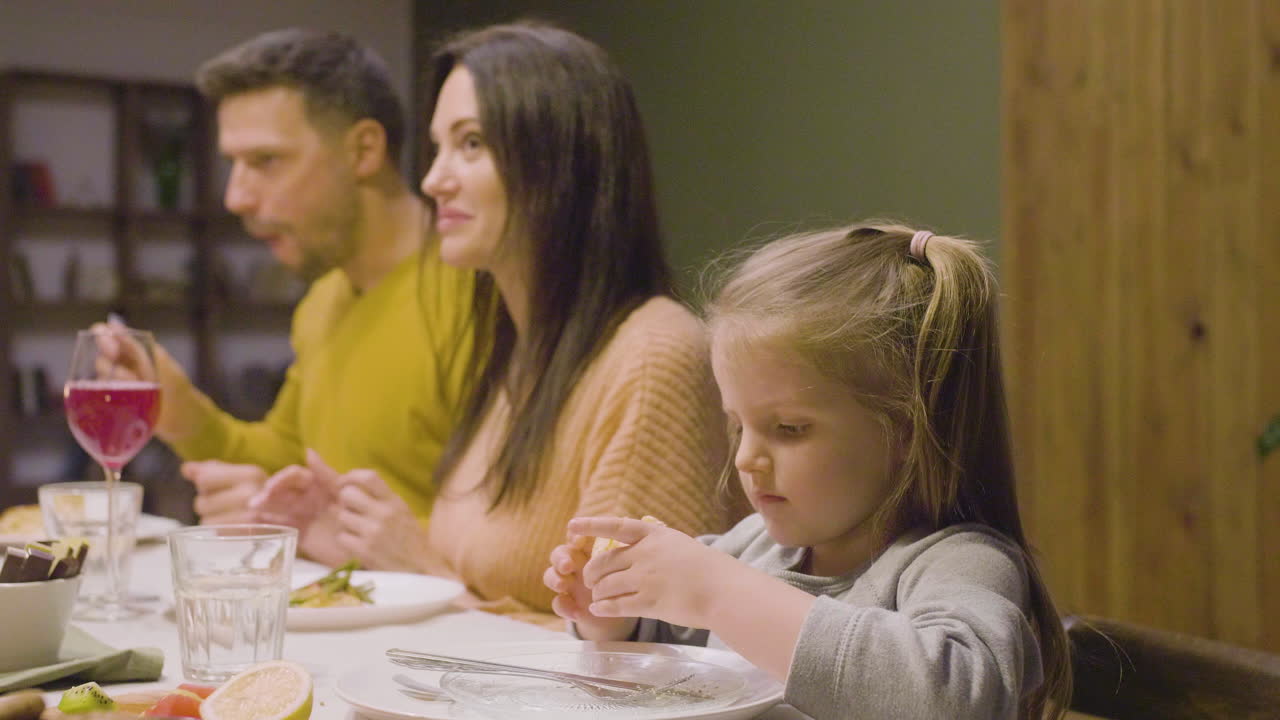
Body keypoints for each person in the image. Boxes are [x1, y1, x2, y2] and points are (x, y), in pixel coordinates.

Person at [251, 21, 737, 627]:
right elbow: (493, 571)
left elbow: (636, 655)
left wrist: (423, 571)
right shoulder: (521, 350)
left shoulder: (650, 357)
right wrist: (352, 540)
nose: (433, 180)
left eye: (472, 143)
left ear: (562, 162)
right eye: (437, 147)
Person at [546, 223, 1072, 718]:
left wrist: (721, 593)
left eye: (789, 429)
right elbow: (676, 647)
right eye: (738, 426)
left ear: (907, 431)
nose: (746, 458)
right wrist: (616, 617)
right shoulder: (750, 546)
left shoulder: (960, 564)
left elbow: (953, 699)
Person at [105, 28, 476, 566]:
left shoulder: (479, 295)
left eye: (266, 161)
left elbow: (514, 540)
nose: (236, 196)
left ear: (364, 149)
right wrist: (178, 410)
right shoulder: (324, 301)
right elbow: (281, 462)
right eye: (234, 164)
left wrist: (329, 530)